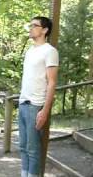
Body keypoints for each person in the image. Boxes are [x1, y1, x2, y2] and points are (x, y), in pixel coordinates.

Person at [18, 16, 59, 177]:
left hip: (36, 105)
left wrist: (45, 111)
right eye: (31, 25)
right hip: (23, 103)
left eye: (35, 25)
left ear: (44, 30)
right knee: (22, 147)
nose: (31, 27)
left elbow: (52, 83)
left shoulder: (50, 51)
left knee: (33, 150)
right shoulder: (30, 51)